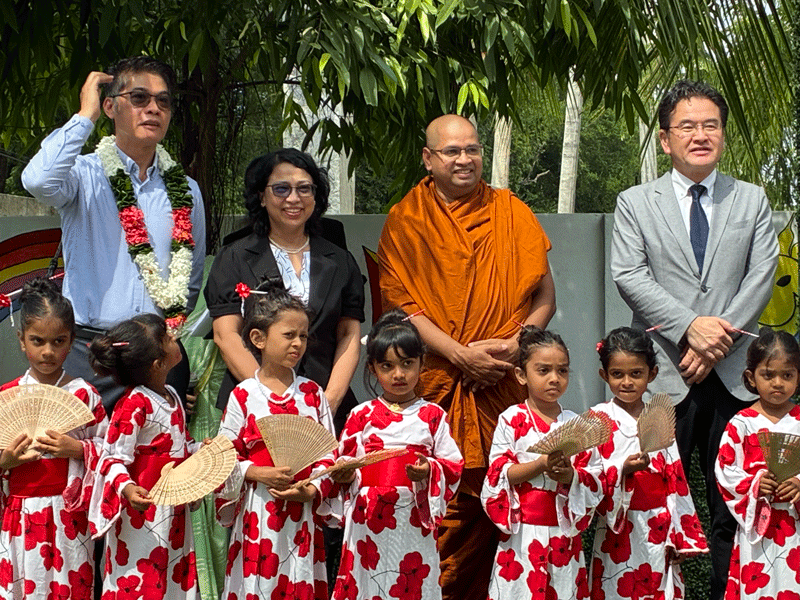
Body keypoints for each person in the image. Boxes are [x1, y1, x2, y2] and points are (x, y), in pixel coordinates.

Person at [610, 80, 778, 599]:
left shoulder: (751, 198)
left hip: (733, 375)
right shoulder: (636, 202)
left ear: (723, 135)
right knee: (653, 500)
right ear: (665, 139)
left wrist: (716, 340)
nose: (700, 135)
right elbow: (629, 274)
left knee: (740, 504)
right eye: (687, 126)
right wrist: (691, 328)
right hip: (663, 375)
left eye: (711, 125)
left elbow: (762, 272)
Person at [377, 114, 556, 599]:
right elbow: (401, 307)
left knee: (497, 507)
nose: (464, 160)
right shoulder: (406, 220)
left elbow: (544, 295)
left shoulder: (511, 211)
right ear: (428, 158)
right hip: (437, 384)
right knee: (436, 505)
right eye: (452, 151)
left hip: (502, 379)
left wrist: (516, 345)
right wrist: (461, 355)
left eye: (472, 150)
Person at [21, 56, 206, 413]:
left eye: (163, 101)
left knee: (160, 464)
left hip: (156, 354)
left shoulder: (187, 190)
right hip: (91, 352)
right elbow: (38, 180)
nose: (153, 108)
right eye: (139, 98)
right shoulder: (81, 176)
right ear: (110, 106)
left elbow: (191, 276)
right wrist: (85, 116)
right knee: (82, 460)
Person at [330, 309, 464, 600]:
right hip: (368, 518)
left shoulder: (433, 415)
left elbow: (453, 464)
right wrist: (343, 473)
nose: (398, 374)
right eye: (387, 366)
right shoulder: (361, 415)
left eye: (407, 364)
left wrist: (428, 469)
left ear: (421, 364)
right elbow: (345, 459)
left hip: (412, 516)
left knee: (410, 579)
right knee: (368, 582)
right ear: (372, 369)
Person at [216, 285, 336, 600]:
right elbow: (222, 457)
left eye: (304, 336)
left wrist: (311, 489)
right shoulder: (243, 395)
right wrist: (256, 473)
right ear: (258, 338)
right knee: (259, 580)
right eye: (288, 335)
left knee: (300, 576)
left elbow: (329, 455)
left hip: (303, 513)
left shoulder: (312, 394)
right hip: (258, 509)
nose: (298, 343)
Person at [0, 278, 107, 600]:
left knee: (70, 589)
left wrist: (78, 448)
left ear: (73, 340)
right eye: (37, 341)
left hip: (69, 515)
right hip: (20, 513)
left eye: (59, 341)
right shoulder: (7, 396)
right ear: (21, 341)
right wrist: (6, 461)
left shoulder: (84, 395)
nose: (48, 351)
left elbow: (112, 452)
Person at [480, 327, 602, 600]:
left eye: (562, 371)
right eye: (543, 370)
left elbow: (595, 478)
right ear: (521, 375)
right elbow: (498, 474)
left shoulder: (575, 424)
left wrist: (571, 476)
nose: (554, 379)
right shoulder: (511, 419)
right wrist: (540, 465)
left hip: (563, 533)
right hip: (523, 532)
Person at [87, 314, 202, 599]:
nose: (175, 337)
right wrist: (127, 487)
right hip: (143, 508)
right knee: (138, 577)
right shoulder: (134, 403)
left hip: (174, 508)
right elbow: (112, 457)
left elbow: (183, 446)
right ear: (159, 364)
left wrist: (205, 452)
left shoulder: (172, 395)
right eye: (168, 338)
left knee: (173, 577)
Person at [590, 327, 708, 600]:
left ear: (652, 374)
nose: (627, 382)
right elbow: (587, 477)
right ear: (604, 375)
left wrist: (681, 535)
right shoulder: (597, 419)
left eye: (636, 373)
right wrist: (621, 470)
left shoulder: (660, 416)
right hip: (618, 524)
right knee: (614, 587)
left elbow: (676, 479)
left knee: (658, 586)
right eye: (617, 374)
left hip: (658, 523)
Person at [715, 328, 800, 600]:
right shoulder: (741, 423)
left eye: (787, 375)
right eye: (768, 374)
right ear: (751, 377)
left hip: (796, 525)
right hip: (757, 530)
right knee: (757, 587)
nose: (778, 383)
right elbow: (725, 472)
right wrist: (754, 484)